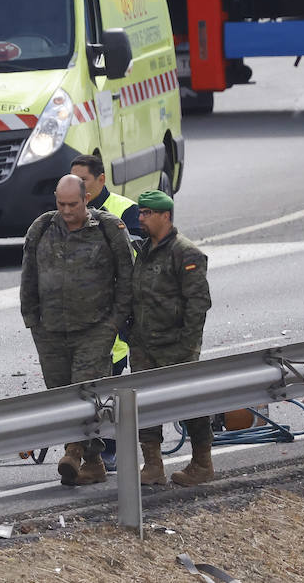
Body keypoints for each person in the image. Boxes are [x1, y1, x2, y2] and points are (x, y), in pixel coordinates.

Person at [20, 174, 133, 486]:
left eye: (73, 204)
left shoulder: (109, 229)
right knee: (61, 396)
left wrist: (115, 320)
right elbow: (29, 275)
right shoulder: (42, 227)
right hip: (50, 330)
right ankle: (94, 462)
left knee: (86, 391)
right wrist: (32, 320)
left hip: (95, 328)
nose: (67, 210)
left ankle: (73, 450)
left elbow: (127, 276)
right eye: (61, 203)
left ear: (86, 200)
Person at [129, 190, 213, 487]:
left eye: (147, 213)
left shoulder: (185, 252)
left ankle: (202, 463)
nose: (141, 218)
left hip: (176, 345)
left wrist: (187, 345)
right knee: (145, 405)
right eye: (140, 213)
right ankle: (152, 465)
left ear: (165, 216)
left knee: (189, 403)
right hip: (143, 345)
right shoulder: (143, 250)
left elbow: (198, 303)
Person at [70, 153, 139, 470]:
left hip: (115, 318)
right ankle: (86, 453)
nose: (76, 186)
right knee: (81, 388)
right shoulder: (67, 212)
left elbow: (137, 256)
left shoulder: (125, 210)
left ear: (101, 180)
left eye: (82, 180)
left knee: (108, 385)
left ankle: (109, 448)